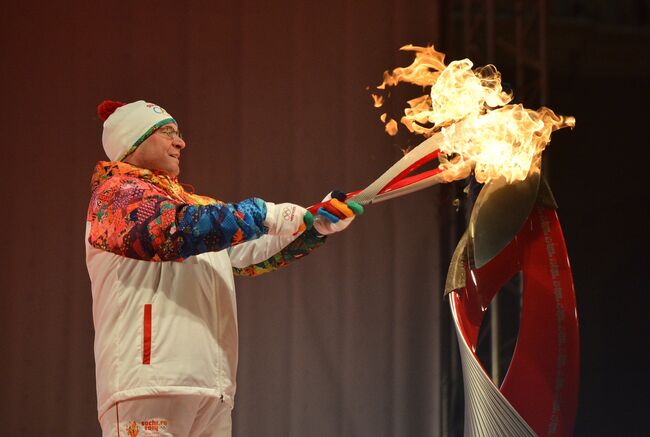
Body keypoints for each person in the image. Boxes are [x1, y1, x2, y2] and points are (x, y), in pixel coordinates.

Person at [85, 100, 362, 437]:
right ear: (133, 141)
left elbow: (254, 254)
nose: (180, 142)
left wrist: (312, 225)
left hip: (210, 389)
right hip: (147, 384)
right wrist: (264, 215)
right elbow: (170, 230)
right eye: (167, 132)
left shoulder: (199, 209)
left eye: (179, 133)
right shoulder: (114, 198)